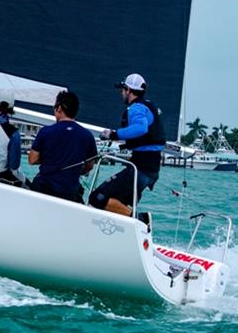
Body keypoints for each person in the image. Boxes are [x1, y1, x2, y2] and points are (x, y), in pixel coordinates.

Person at [88, 73, 165, 223]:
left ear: (128, 90)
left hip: (142, 168)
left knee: (98, 198)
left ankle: (142, 219)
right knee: (117, 203)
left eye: (123, 89)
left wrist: (113, 134)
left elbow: (140, 128)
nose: (121, 93)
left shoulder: (136, 108)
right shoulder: (149, 106)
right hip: (149, 167)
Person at [28, 91, 97, 202]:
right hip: (69, 193)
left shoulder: (45, 132)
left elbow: (32, 159)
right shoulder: (87, 136)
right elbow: (89, 165)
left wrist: (50, 159)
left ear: (59, 108)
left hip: (44, 189)